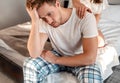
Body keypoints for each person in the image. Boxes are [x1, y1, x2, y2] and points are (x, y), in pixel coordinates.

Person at [23, 0, 119, 83]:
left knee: (92, 78)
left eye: (49, 14)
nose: (48, 20)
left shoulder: (85, 17)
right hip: (59, 53)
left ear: (57, 4)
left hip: (81, 59)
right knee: (30, 64)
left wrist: (56, 60)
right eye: (42, 17)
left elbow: (90, 59)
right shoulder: (43, 22)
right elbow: (34, 53)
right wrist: (35, 21)